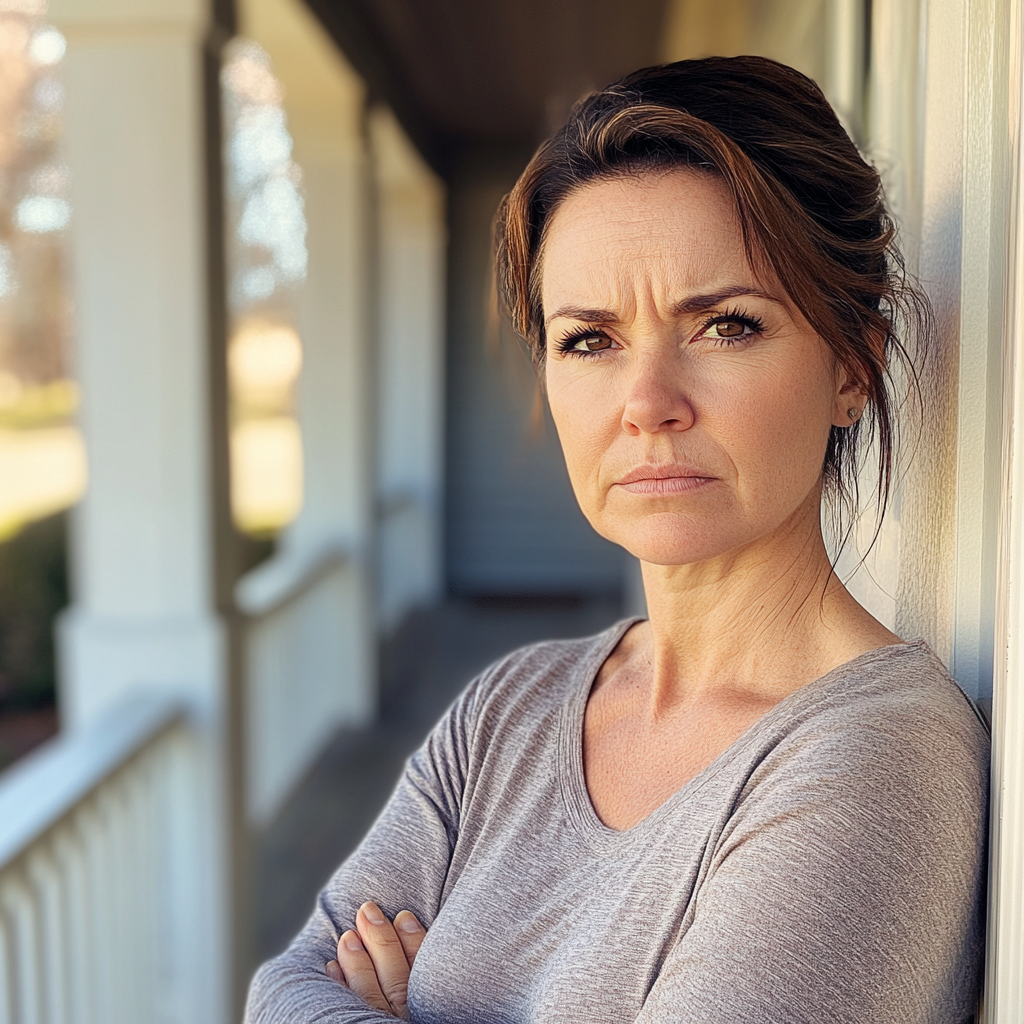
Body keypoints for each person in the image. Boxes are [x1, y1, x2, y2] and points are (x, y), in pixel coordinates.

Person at [245, 56, 989, 1024]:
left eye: (725, 325)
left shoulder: (872, 761)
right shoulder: (508, 710)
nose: (647, 405)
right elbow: (284, 987)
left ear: (852, 367)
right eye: (589, 340)